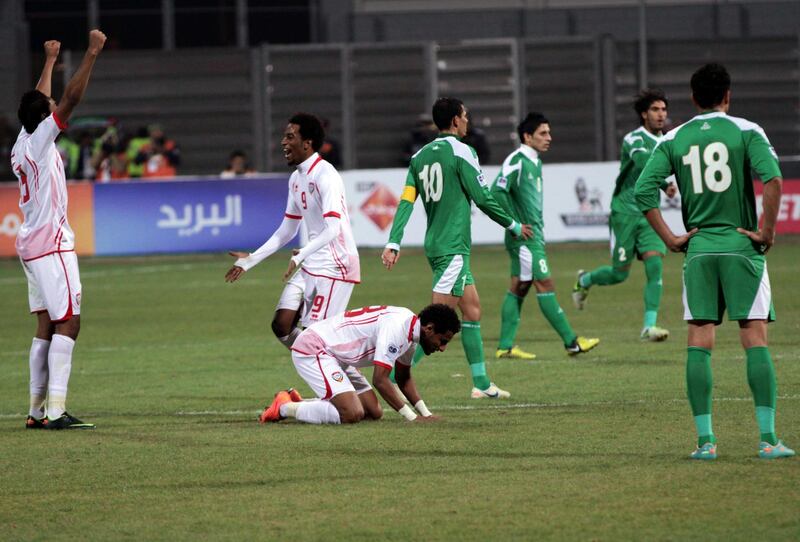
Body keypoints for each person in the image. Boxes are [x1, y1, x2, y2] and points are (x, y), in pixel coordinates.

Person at [634, 63, 794, 460]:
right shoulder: (746, 130)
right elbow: (773, 179)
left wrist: (671, 237)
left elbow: (643, 191)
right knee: (753, 337)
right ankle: (768, 439)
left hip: (700, 249)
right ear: (727, 96)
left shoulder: (673, 137)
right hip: (742, 246)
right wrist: (767, 231)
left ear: (692, 99)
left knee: (699, 340)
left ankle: (705, 442)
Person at [382, 97, 533, 399]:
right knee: (431, 327)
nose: (467, 121)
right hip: (452, 248)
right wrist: (513, 225)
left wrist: (394, 240)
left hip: (439, 245)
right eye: (465, 116)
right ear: (454, 120)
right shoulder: (463, 151)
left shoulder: (419, 157)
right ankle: (391, 380)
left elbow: (406, 201)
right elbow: (482, 196)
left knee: (473, 311)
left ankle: (480, 383)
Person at [12, 30, 106, 430]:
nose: (54, 109)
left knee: (46, 324)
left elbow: (39, 100)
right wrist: (91, 53)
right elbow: (69, 100)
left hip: (30, 245)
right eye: (48, 110)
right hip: (52, 245)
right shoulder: (41, 140)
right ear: (45, 118)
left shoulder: (22, 140)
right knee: (69, 321)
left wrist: (49, 61)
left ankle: (36, 410)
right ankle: (56, 411)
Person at [225, 113, 360, 362]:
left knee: (315, 338)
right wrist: (250, 260)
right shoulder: (296, 178)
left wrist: (302, 255)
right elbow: (287, 229)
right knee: (282, 325)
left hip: (336, 264)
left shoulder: (326, 175)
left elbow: (333, 228)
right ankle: (332, 365)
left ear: (307, 143)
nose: (283, 143)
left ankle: (341, 387)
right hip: (312, 261)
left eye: (290, 137)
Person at [490, 113, 599, 358]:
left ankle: (505, 347)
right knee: (545, 284)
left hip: (532, 237)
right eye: (543, 133)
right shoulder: (517, 160)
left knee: (519, 287)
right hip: (524, 239)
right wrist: (514, 224)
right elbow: (496, 192)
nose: (549, 138)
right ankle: (572, 342)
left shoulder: (534, 161)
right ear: (527, 137)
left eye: (549, 133)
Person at [572, 90, 677, 342]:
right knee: (620, 273)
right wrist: (665, 183)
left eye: (664, 109)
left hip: (649, 212)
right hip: (625, 211)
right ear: (644, 114)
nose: (661, 114)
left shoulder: (668, 140)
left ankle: (648, 326)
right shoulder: (634, 138)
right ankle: (585, 280)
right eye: (655, 109)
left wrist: (668, 183)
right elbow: (642, 163)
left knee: (655, 266)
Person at [260, 303, 460, 425]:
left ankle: (300, 402)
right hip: (316, 348)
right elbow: (380, 380)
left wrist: (426, 414)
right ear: (429, 328)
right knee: (351, 413)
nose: (442, 348)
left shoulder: (411, 331)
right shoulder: (397, 329)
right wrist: (412, 418)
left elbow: (403, 377)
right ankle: (284, 407)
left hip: (339, 356)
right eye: (443, 340)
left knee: (373, 412)